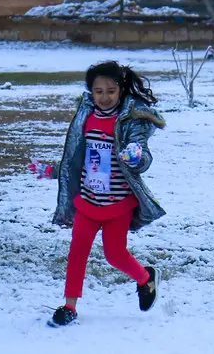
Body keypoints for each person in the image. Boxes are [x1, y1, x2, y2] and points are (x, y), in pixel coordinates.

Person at [48, 61, 167, 327]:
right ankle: (70, 305)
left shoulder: (130, 120)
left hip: (118, 204)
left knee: (115, 255)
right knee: (77, 252)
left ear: (121, 90)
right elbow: (75, 157)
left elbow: (143, 156)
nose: (104, 97)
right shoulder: (86, 116)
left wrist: (135, 157)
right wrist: (52, 170)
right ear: (91, 91)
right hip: (87, 202)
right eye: (98, 91)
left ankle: (145, 278)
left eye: (111, 91)